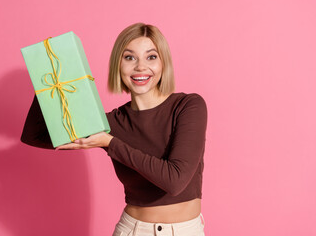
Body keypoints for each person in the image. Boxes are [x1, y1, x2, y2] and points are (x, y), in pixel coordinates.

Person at [21, 23, 207, 236]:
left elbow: (175, 181)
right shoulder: (109, 124)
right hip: (134, 230)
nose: (140, 67)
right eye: (129, 57)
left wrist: (110, 143)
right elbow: (34, 136)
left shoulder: (188, 106)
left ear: (164, 63)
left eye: (151, 57)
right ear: (118, 65)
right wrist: (50, 76)